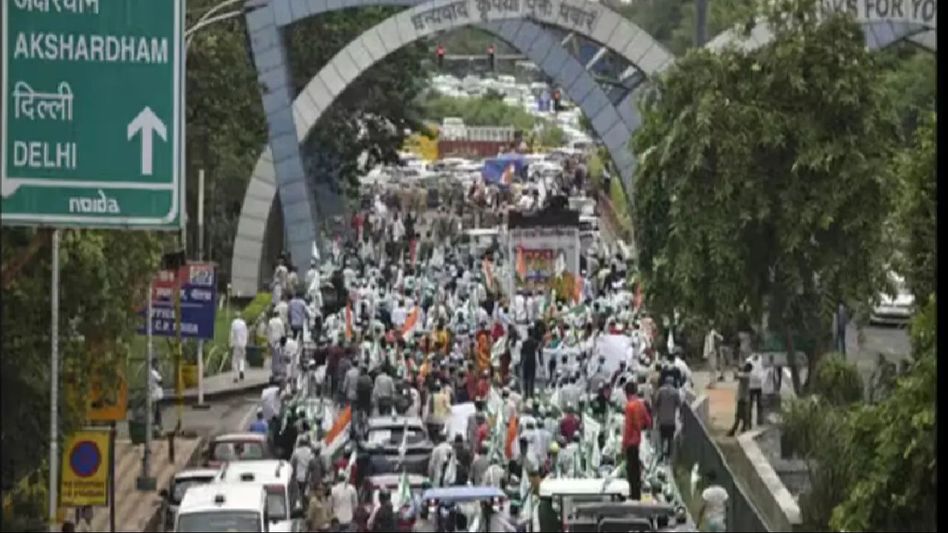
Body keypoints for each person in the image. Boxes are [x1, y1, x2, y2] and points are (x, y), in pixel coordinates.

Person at [621, 381, 651, 500]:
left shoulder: (630, 406)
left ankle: (633, 494)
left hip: (631, 442)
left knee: (631, 470)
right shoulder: (640, 404)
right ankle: (637, 493)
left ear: (626, 393)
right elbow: (648, 422)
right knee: (637, 469)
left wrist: (624, 445)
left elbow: (628, 427)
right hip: (638, 440)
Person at [652, 376, 681, 462]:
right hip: (671, 420)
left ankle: (661, 454)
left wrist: (655, 414)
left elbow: (656, 403)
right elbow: (679, 404)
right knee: (670, 438)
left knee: (661, 437)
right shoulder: (675, 392)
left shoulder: (660, 391)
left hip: (662, 419)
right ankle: (669, 456)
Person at [727, 363, 752, 437]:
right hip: (745, 398)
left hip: (742, 399)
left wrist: (734, 369)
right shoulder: (748, 375)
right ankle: (743, 429)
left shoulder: (746, 376)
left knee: (738, 416)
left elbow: (736, 375)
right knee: (744, 416)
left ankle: (733, 431)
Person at [520, 327, 540, 399]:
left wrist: (521, 362)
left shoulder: (524, 342)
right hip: (532, 360)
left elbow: (522, 353)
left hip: (525, 360)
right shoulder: (535, 342)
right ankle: (531, 394)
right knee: (531, 378)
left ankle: (525, 393)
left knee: (525, 377)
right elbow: (538, 349)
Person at [229, 312, 249, 382]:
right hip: (242, 344)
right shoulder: (243, 323)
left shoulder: (233, 323)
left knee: (235, 360)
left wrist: (231, 344)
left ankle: (235, 376)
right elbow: (246, 334)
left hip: (236, 344)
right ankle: (241, 370)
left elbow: (232, 334)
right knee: (242, 358)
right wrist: (245, 343)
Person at [746, 353, 764, 426]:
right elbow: (747, 372)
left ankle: (760, 421)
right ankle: (748, 422)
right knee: (749, 405)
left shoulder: (762, 360)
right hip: (751, 386)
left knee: (760, 404)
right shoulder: (748, 360)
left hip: (760, 386)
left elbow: (763, 372)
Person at [149, 359, 163, 431]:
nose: (158, 365)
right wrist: (160, 372)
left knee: (157, 410)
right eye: (157, 364)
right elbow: (161, 381)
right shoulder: (154, 373)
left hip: (155, 394)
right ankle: (158, 425)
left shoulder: (151, 372)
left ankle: (157, 424)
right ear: (154, 364)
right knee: (157, 410)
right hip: (156, 395)